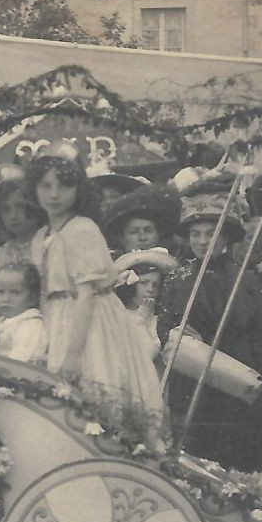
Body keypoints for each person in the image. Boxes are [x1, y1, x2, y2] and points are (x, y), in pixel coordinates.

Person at [27, 148, 165, 418]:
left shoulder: (82, 229)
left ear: (78, 189)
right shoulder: (41, 236)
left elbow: (86, 295)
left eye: (64, 186)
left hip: (90, 322)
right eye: (46, 186)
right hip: (58, 320)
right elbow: (45, 294)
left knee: (96, 386)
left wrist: (72, 353)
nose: (54, 195)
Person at [156, 184, 262, 468]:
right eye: (196, 234)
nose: (203, 241)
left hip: (235, 382)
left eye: (211, 233)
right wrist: (176, 334)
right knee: (194, 457)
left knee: (235, 457)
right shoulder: (177, 280)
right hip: (191, 382)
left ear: (227, 237)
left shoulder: (251, 281)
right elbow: (164, 326)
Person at [113, 249, 177, 369]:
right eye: (144, 283)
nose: (150, 289)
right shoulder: (115, 313)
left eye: (155, 285)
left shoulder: (157, 319)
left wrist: (140, 321)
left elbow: (148, 354)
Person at [0, 179, 48, 274]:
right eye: (6, 209)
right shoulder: (0, 256)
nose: (13, 216)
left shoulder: (50, 245)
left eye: (20, 206)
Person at [0, 262, 48, 365]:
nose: (6, 299)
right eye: (0, 292)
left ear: (33, 298)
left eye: (14, 293)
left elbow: (19, 362)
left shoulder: (31, 325)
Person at [101, 185, 180, 255]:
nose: (142, 238)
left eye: (148, 231)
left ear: (158, 235)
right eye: (134, 232)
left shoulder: (174, 265)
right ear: (121, 238)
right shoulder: (111, 265)